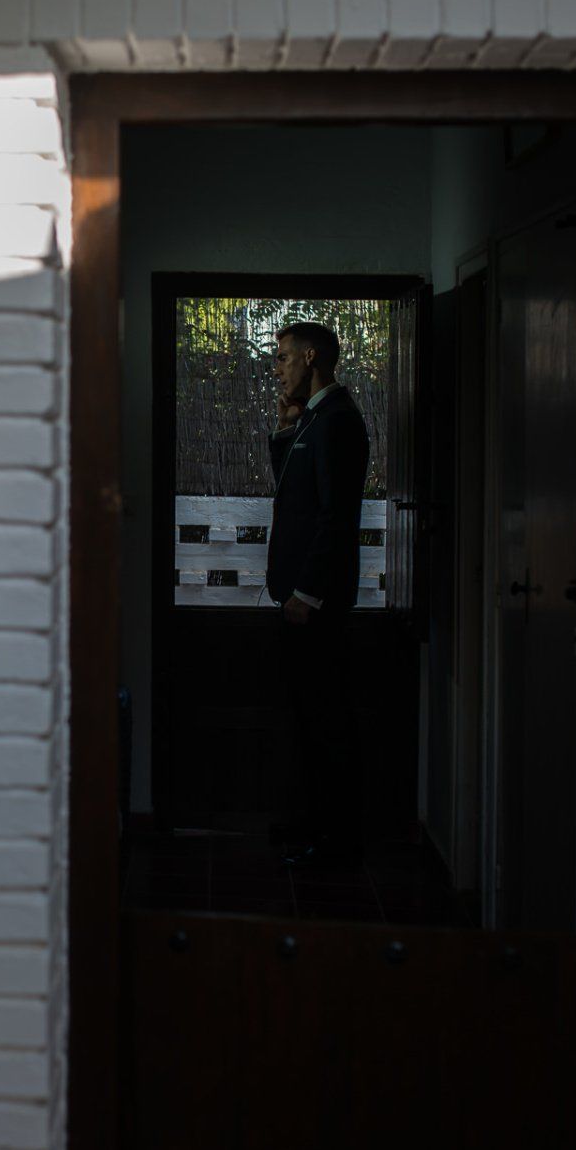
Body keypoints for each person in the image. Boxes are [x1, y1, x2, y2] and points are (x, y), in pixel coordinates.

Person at [263, 319, 370, 868]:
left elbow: (335, 515)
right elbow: (292, 493)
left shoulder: (338, 420)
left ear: (310, 358)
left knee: (326, 719)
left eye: (283, 357)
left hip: (315, 601)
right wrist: (286, 429)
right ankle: (309, 824)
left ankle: (335, 839)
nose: (278, 369)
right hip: (297, 596)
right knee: (305, 714)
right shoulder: (311, 419)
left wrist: (307, 592)